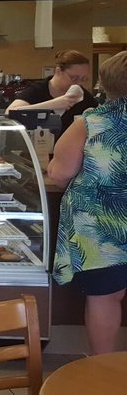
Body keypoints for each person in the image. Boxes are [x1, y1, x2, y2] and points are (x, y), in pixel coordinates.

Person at [49, 50, 127, 355]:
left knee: (105, 298)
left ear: (105, 84)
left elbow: (60, 173)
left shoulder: (91, 122)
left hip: (100, 228)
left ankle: (102, 369)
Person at [6, 50, 97, 132]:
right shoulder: (37, 90)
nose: (79, 83)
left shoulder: (82, 95)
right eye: (74, 78)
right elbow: (10, 112)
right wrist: (53, 104)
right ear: (58, 71)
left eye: (84, 79)